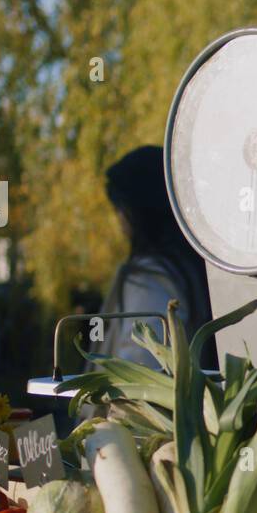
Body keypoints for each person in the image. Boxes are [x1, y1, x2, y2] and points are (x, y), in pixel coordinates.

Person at [93, 145, 215, 370]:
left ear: (138, 210)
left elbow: (140, 366)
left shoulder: (150, 278)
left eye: (120, 209)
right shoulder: (196, 267)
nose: (119, 221)